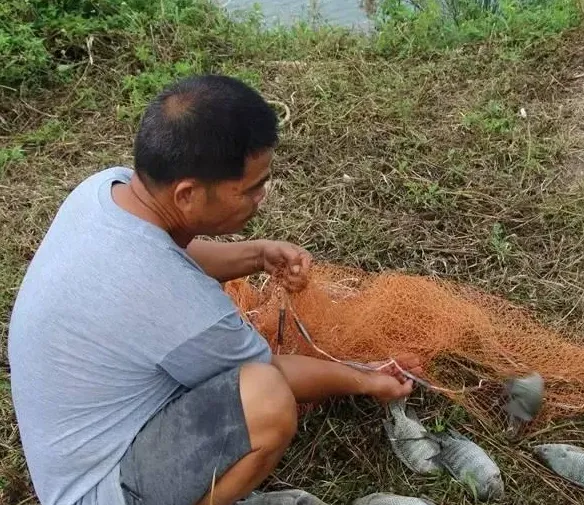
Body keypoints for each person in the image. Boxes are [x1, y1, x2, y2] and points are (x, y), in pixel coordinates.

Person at [8, 74, 418, 505]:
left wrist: (258, 254)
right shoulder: (170, 297)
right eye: (252, 188)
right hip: (100, 491)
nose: (262, 197)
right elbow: (275, 375)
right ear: (186, 195)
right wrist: (367, 379)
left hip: (84, 451)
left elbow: (171, 254)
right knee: (266, 400)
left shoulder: (104, 191)